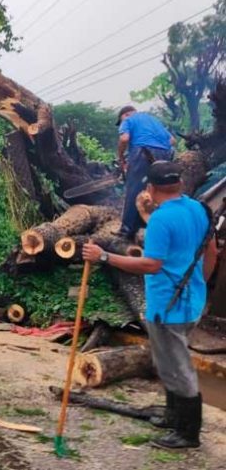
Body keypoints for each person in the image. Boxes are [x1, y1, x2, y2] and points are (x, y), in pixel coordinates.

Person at [82, 161, 218, 449]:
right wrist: (198, 286)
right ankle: (173, 416)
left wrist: (104, 256)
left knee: (177, 367)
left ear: (151, 188)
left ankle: (187, 433)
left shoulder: (161, 220)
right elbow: (212, 254)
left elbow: (150, 264)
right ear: (179, 184)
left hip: (167, 307)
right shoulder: (198, 209)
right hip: (192, 302)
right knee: (169, 362)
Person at [116, 105, 176, 238]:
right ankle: (153, 226)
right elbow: (172, 140)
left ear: (125, 115)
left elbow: (124, 139)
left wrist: (121, 156)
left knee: (135, 188)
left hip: (142, 152)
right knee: (157, 191)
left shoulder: (128, 120)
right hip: (164, 154)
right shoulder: (153, 120)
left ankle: (127, 230)